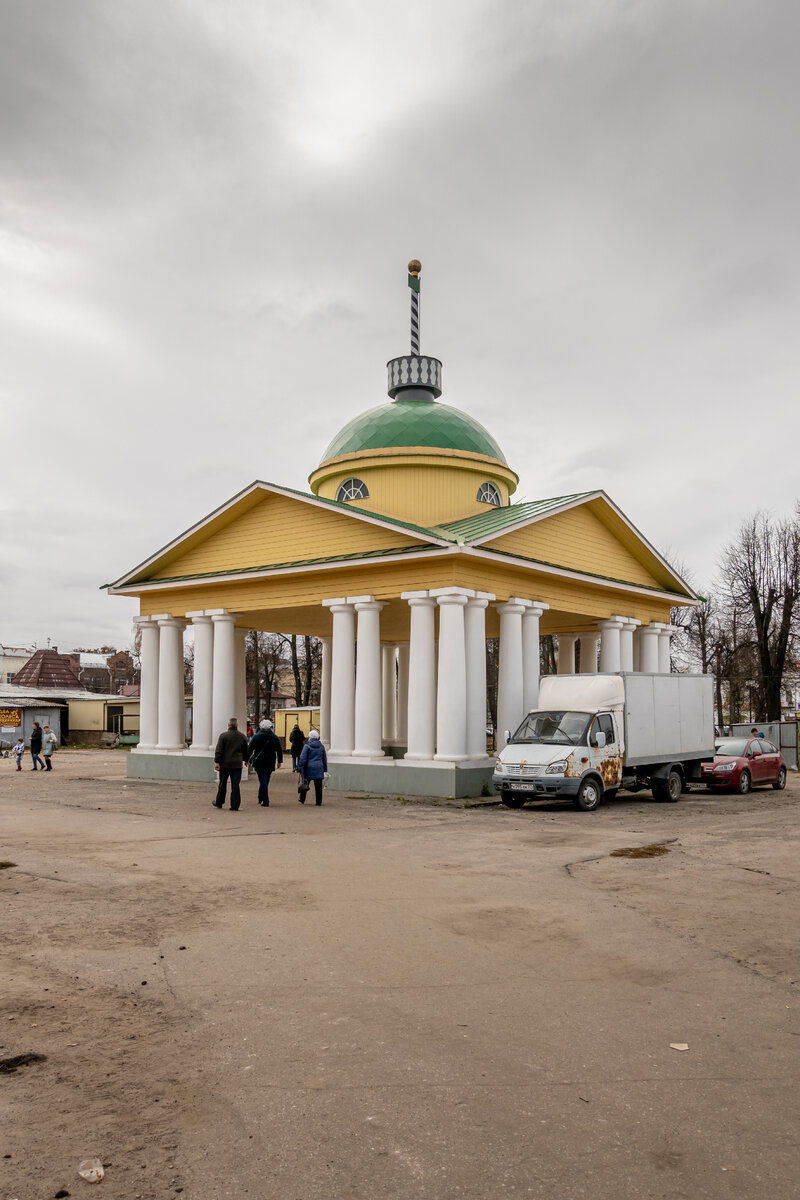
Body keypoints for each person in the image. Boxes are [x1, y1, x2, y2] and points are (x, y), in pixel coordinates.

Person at [213, 717, 250, 810]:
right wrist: (246, 760)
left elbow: (219, 750)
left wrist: (217, 762)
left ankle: (219, 802)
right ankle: (235, 805)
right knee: (235, 785)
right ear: (237, 725)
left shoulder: (223, 736)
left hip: (225, 764)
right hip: (237, 765)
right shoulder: (242, 737)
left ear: (228, 725)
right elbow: (246, 750)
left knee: (222, 784)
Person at [247, 718, 283, 806]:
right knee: (266, 780)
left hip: (259, 761)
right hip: (270, 761)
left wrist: (246, 759)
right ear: (270, 727)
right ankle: (260, 797)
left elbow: (250, 749)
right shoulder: (274, 737)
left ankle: (265, 800)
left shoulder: (256, 736)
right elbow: (279, 750)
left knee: (262, 780)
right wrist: (279, 761)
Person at [297, 729, 327, 806]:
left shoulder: (307, 746)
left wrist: (300, 767)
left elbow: (303, 758)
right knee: (318, 787)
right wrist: (325, 769)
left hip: (308, 768)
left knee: (305, 783)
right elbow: (324, 759)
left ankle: (302, 799)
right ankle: (318, 802)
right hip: (319, 767)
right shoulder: (321, 746)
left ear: (310, 737)